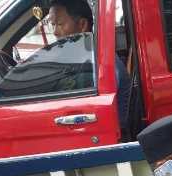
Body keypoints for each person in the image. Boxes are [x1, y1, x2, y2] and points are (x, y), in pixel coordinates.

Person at [46, 0, 131, 131]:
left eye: (60, 24)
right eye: (53, 25)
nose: (55, 32)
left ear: (82, 24)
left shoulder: (98, 62)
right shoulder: (83, 55)